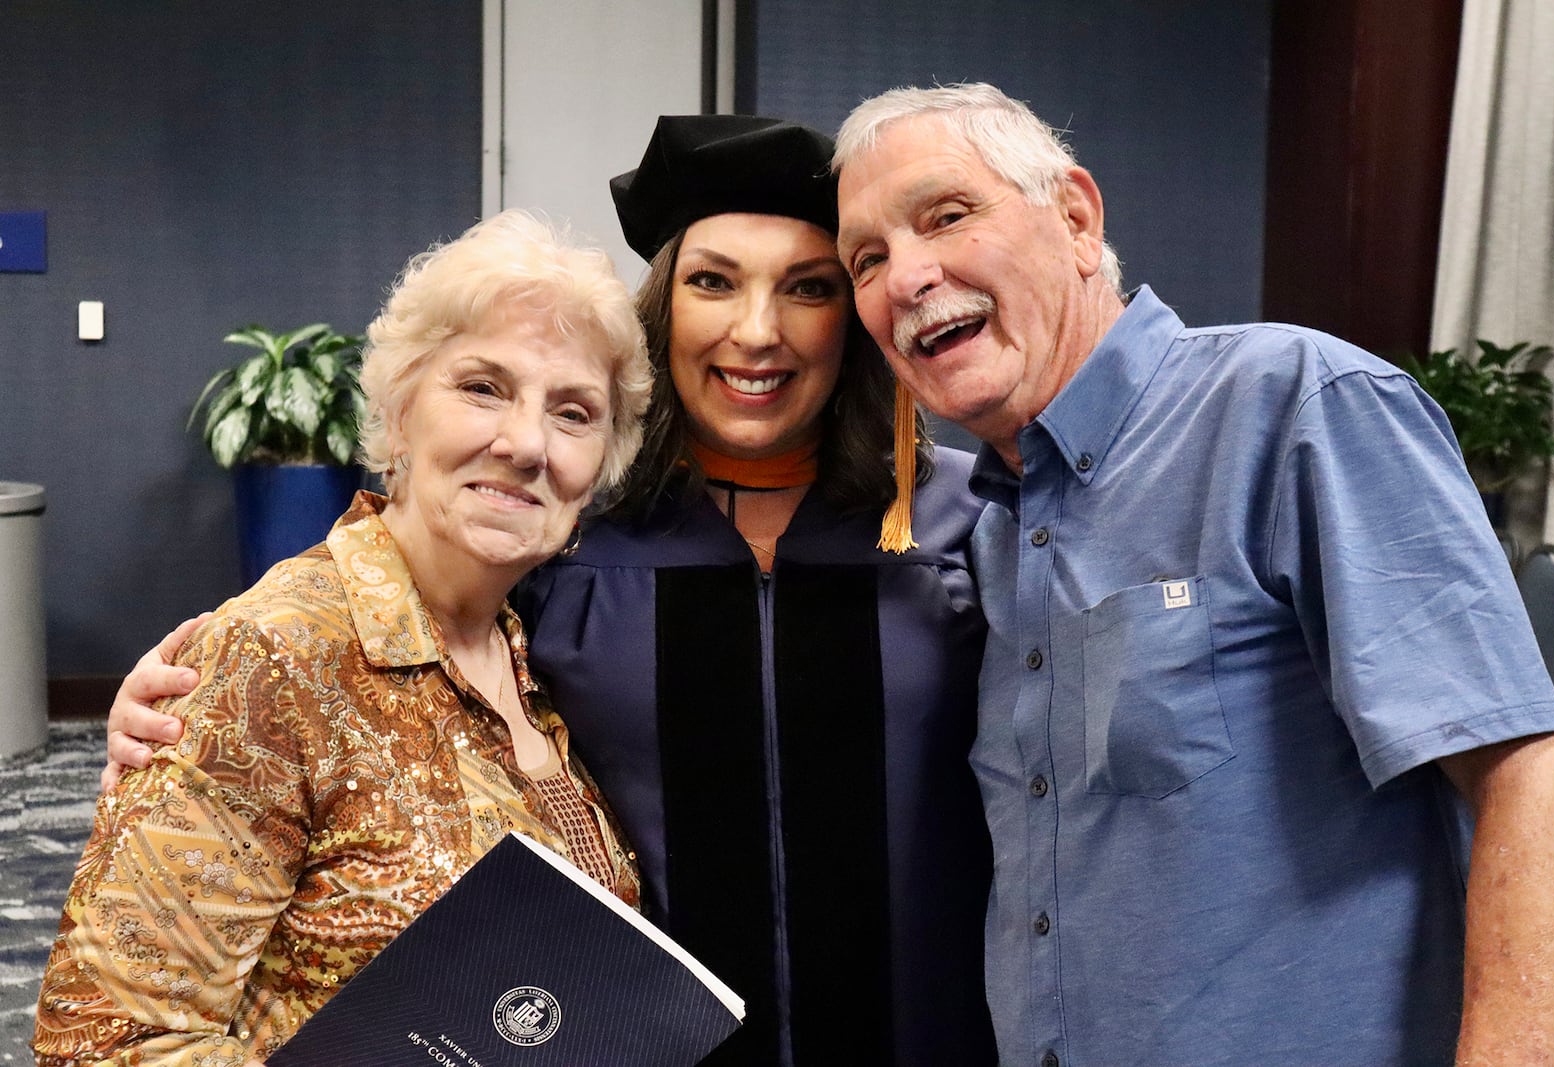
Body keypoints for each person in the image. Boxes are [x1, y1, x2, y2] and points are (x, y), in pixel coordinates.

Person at [99, 116, 997, 1066]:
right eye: (712, 280)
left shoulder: (967, 523)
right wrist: (186, 701)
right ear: (665, 310)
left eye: (810, 287)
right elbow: (386, 625)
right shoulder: (568, 536)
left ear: (852, 316)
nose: (756, 329)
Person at [831, 82, 1554, 1066]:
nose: (906, 275)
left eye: (946, 215)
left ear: (1073, 215)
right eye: (866, 259)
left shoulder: (1293, 407)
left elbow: (1531, 780)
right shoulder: (994, 532)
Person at [35, 209, 649, 1065]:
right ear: (398, 414)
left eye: (574, 412)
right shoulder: (274, 656)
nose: (524, 443)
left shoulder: (536, 647)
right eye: (482, 388)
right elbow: (102, 1043)